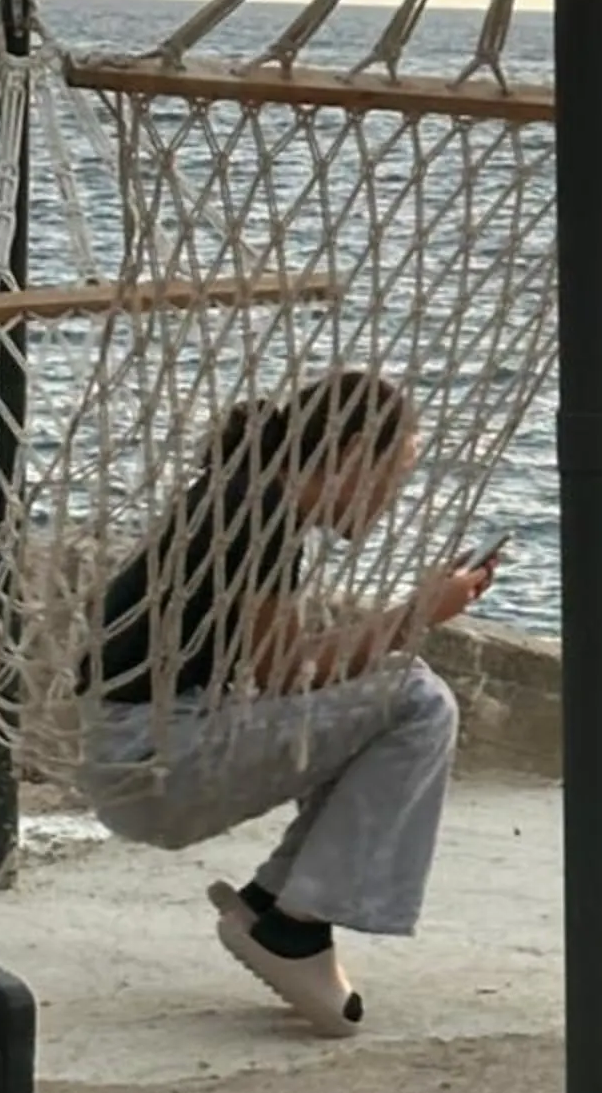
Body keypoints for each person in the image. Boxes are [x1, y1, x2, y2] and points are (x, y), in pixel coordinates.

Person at [77, 368, 496, 1038]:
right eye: (395, 475)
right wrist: (415, 616)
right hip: (154, 758)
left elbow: (285, 668)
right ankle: (294, 924)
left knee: (386, 697)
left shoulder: (242, 500)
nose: (393, 498)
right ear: (354, 451)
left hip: (140, 750)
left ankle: (279, 903)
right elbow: (286, 673)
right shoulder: (256, 514)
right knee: (416, 697)